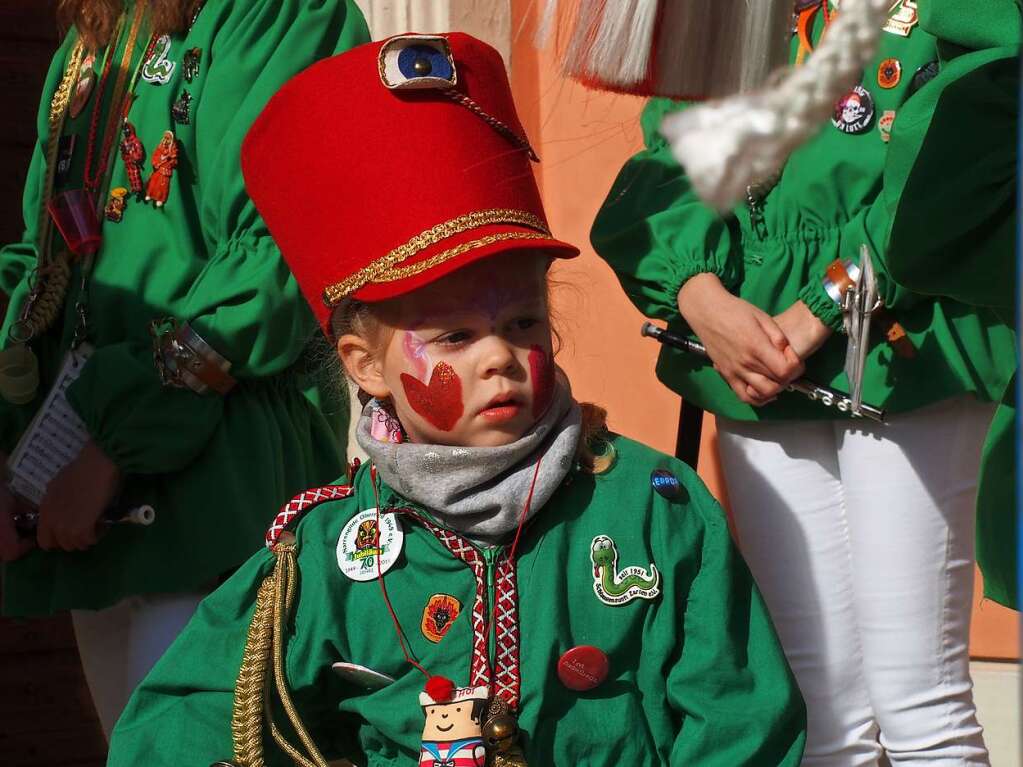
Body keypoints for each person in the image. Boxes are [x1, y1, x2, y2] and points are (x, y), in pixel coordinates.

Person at [106, 32, 807, 766]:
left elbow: (740, 722)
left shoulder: (654, 509)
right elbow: (182, 717)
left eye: (521, 322)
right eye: (454, 336)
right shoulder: (322, 553)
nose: (499, 355)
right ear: (363, 365)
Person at [591, 1, 1017, 764]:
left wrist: (825, 299)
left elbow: (954, 167)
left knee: (918, 702)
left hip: (903, 347)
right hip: (754, 366)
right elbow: (673, 160)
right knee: (817, 706)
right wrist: (698, 294)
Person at [0, 0, 370, 738]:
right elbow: (40, 267)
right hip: (87, 514)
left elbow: (277, 254)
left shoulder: (284, 14)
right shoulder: (87, 45)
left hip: (218, 499)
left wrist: (113, 447)